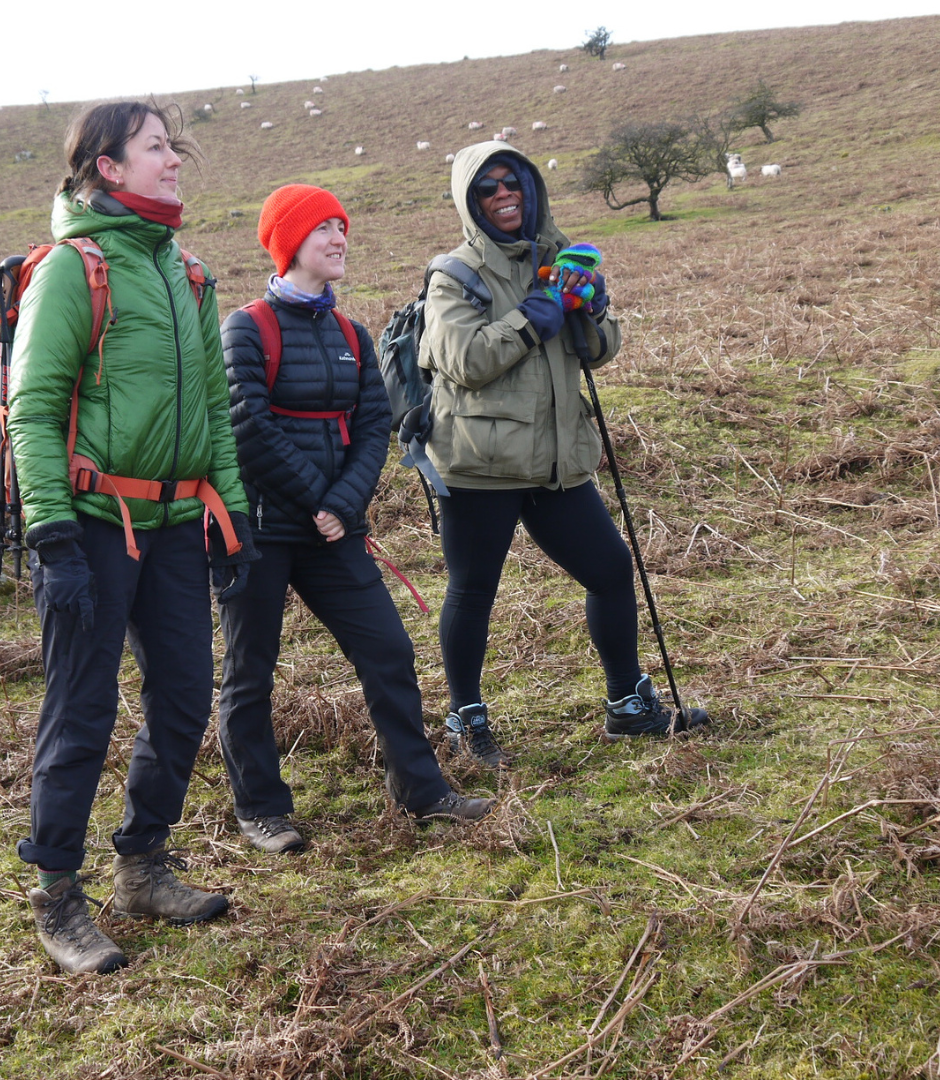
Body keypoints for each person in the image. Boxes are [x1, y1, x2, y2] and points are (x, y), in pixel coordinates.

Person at [7, 100, 257, 974]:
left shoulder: (188, 273)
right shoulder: (75, 270)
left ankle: (142, 865)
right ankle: (56, 898)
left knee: (186, 698)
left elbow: (217, 411)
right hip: (91, 525)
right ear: (107, 167)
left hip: (180, 523)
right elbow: (32, 409)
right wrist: (52, 537)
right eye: (157, 147)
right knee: (82, 712)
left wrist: (234, 511)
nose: (174, 159)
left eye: (173, 146)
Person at [217, 184, 493, 854]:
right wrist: (320, 500)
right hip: (258, 529)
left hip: (332, 527)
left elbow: (375, 423)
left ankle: (420, 790)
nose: (339, 240)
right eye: (323, 231)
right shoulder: (245, 327)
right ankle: (262, 809)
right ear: (288, 244)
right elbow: (247, 424)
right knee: (251, 669)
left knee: (389, 651)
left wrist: (344, 504)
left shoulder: (351, 333)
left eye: (342, 229)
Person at [417, 142, 710, 766]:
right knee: (474, 592)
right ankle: (466, 722)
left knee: (609, 569)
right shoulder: (456, 274)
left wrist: (593, 312)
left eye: (513, 183)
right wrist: (533, 318)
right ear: (470, 201)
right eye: (488, 188)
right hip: (480, 464)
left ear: (531, 188)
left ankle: (628, 707)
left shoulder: (557, 257)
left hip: (555, 460)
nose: (504, 195)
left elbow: (598, 352)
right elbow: (464, 360)